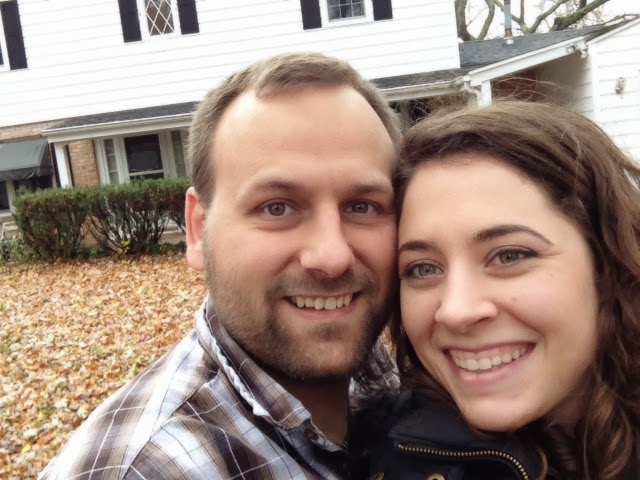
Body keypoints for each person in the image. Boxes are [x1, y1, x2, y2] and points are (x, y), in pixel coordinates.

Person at [40, 52, 402, 480]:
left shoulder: (392, 375)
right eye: (277, 207)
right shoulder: (149, 469)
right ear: (198, 229)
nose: (332, 256)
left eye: (362, 206)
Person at [355, 101, 640, 479]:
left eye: (509, 255)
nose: (456, 310)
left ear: (607, 264)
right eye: (423, 268)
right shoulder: (385, 459)